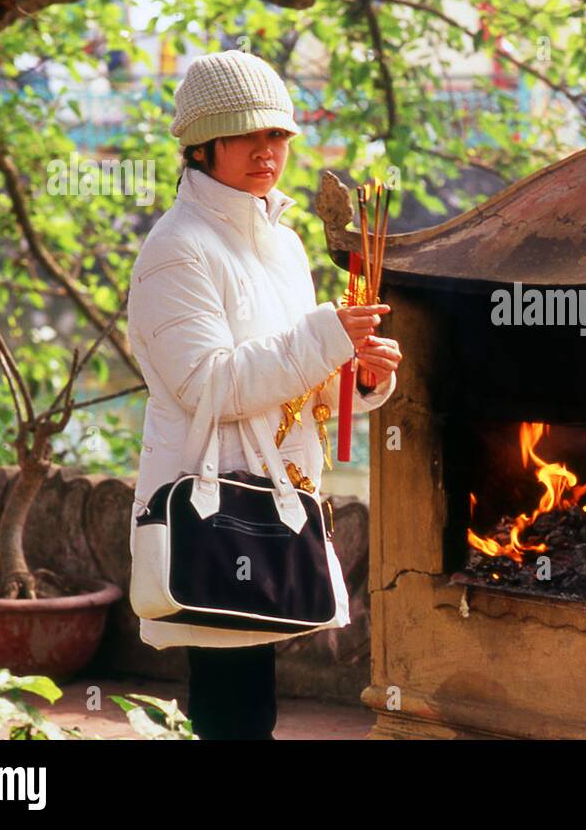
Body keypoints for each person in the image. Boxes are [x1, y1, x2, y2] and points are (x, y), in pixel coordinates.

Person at [125, 49, 402, 739]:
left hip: (278, 496)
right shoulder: (176, 248)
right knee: (231, 706)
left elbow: (294, 383)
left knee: (251, 704)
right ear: (200, 146)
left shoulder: (280, 242)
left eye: (277, 135)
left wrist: (357, 374)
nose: (266, 150)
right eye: (246, 135)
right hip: (213, 502)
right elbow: (206, 384)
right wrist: (325, 336)